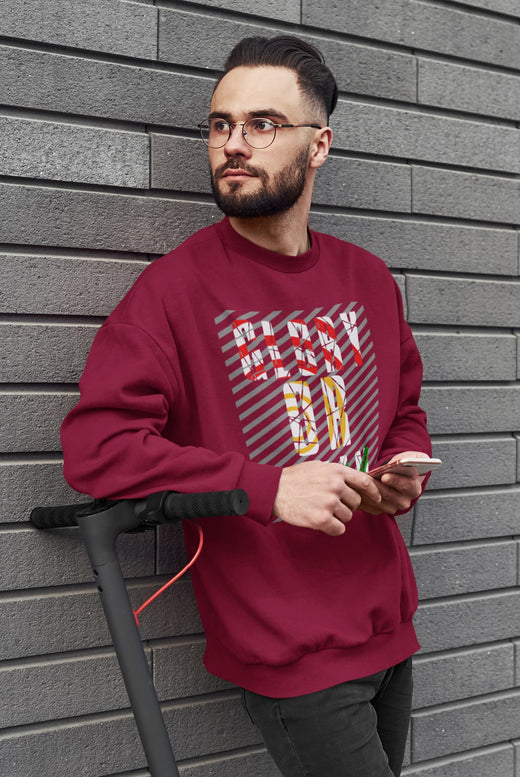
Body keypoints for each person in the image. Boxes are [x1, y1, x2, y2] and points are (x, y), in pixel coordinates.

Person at [61, 35, 433, 777]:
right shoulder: (174, 292)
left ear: (318, 145)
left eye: (263, 124)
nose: (233, 144)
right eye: (220, 124)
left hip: (388, 627)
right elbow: (98, 450)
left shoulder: (367, 279)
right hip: (291, 650)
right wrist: (267, 487)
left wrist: (401, 468)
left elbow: (404, 410)